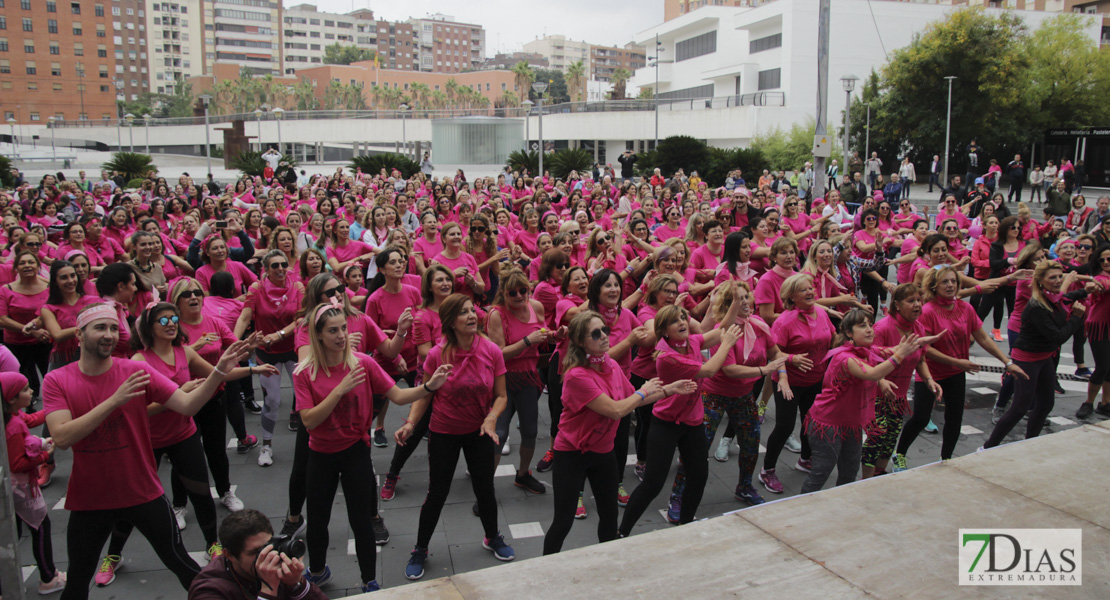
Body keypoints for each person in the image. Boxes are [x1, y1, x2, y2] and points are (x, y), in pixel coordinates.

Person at [42, 302, 252, 599]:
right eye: (100, 327)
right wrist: (115, 400)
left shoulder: (135, 370)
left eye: (114, 328)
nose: (109, 334)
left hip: (142, 490)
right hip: (90, 498)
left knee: (183, 565)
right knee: (77, 581)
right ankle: (112, 559)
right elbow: (61, 437)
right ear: (79, 333)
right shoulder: (57, 380)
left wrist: (218, 372)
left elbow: (187, 405)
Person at [94, 304, 272, 587]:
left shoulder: (184, 352)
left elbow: (218, 374)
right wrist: (176, 396)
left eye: (174, 319)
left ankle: (213, 545)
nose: (171, 323)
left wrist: (253, 369)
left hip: (183, 435)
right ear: (148, 327)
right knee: (131, 501)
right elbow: (136, 409)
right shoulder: (139, 359)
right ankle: (113, 555)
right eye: (163, 320)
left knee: (201, 492)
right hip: (148, 442)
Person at [293, 293, 450, 592]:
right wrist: (338, 391)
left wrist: (429, 387)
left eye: (343, 328)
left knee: (362, 521)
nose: (341, 336)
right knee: (317, 521)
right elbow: (309, 421)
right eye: (333, 331)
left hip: (355, 452)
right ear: (319, 335)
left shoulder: (363, 362)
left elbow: (399, 396)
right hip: (321, 455)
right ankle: (316, 572)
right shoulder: (305, 372)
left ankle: (369, 580)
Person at [543, 310, 691, 555]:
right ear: (580, 342)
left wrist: (669, 390)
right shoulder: (576, 375)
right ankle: (544, 569)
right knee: (563, 522)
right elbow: (616, 410)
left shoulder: (610, 364)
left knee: (610, 519)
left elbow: (631, 399)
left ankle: (609, 563)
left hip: (603, 453)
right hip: (572, 454)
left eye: (605, 330)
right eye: (595, 333)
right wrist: (643, 392)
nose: (603, 336)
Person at [404, 294, 514, 581]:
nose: (471, 316)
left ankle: (492, 537)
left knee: (485, 488)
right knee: (437, 493)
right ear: (450, 321)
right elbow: (425, 394)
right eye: (463, 312)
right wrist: (410, 422)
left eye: (472, 310)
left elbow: (502, 395)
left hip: (479, 431)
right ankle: (420, 549)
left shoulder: (491, 350)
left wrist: (492, 416)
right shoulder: (436, 354)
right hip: (444, 433)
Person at [618, 301, 741, 534]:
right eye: (675, 321)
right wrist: (727, 344)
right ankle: (622, 531)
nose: (682, 322)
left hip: (692, 421)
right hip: (666, 423)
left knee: (699, 475)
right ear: (664, 330)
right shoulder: (666, 356)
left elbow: (722, 329)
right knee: (653, 483)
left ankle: (685, 525)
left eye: (683, 318)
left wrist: (735, 302)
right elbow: (709, 370)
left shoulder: (690, 341)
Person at [891, 267, 1028, 468]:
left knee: (954, 419)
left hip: (956, 373)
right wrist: (957, 361)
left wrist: (1007, 362)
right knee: (920, 418)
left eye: (953, 281)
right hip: (931, 373)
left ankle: (946, 459)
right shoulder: (927, 311)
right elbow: (924, 348)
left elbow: (982, 337)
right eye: (945, 282)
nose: (950, 285)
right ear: (934, 286)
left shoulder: (965, 308)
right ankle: (899, 454)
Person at [800, 309, 926, 493]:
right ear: (849, 333)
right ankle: (802, 511)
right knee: (821, 472)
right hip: (827, 424)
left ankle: (843, 507)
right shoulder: (846, 358)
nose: (869, 329)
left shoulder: (867, 351)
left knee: (850, 472)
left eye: (869, 325)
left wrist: (916, 343)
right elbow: (874, 373)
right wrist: (900, 355)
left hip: (850, 424)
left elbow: (890, 350)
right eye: (862, 326)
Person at [984, 261, 1088, 449]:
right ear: (1040, 282)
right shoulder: (1036, 307)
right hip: (1027, 359)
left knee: (1046, 404)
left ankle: (1029, 443)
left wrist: (1087, 290)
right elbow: (1057, 337)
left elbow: (1066, 296)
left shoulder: (1054, 297)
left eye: (1060, 277)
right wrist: (1076, 318)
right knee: (1019, 408)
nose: (1058, 281)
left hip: (1044, 356)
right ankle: (988, 446)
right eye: (1052, 278)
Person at [759, 274, 835, 494]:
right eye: (804, 290)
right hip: (788, 383)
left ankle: (805, 459)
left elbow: (833, 337)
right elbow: (773, 353)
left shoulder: (821, 313)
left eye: (811, 288)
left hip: (815, 379)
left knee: (811, 422)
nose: (810, 292)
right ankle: (767, 470)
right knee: (784, 426)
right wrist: (792, 358)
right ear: (791, 297)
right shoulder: (784, 321)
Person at [233, 250, 305, 467]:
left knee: (305, 398)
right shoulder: (257, 288)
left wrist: (281, 334)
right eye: (275, 266)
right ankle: (266, 446)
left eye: (284, 264)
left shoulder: (298, 287)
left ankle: (312, 446)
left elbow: (302, 318)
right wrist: (233, 344)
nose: (281, 269)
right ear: (266, 269)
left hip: (294, 348)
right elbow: (245, 316)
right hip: (267, 353)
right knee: (272, 401)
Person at [2, 371, 67, 595]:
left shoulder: (15, 416)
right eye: (26, 389)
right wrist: (44, 455)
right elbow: (17, 463)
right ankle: (48, 578)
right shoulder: (13, 428)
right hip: (21, 488)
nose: (31, 392)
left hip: (19, 487)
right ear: (11, 398)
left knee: (17, 531)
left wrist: (57, 408)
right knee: (40, 526)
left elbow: (34, 418)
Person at [187, 509, 327, 600]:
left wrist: (296, 584)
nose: (266, 555)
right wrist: (268, 590)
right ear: (229, 555)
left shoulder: (276, 563)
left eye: (268, 546)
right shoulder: (208, 592)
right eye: (255, 552)